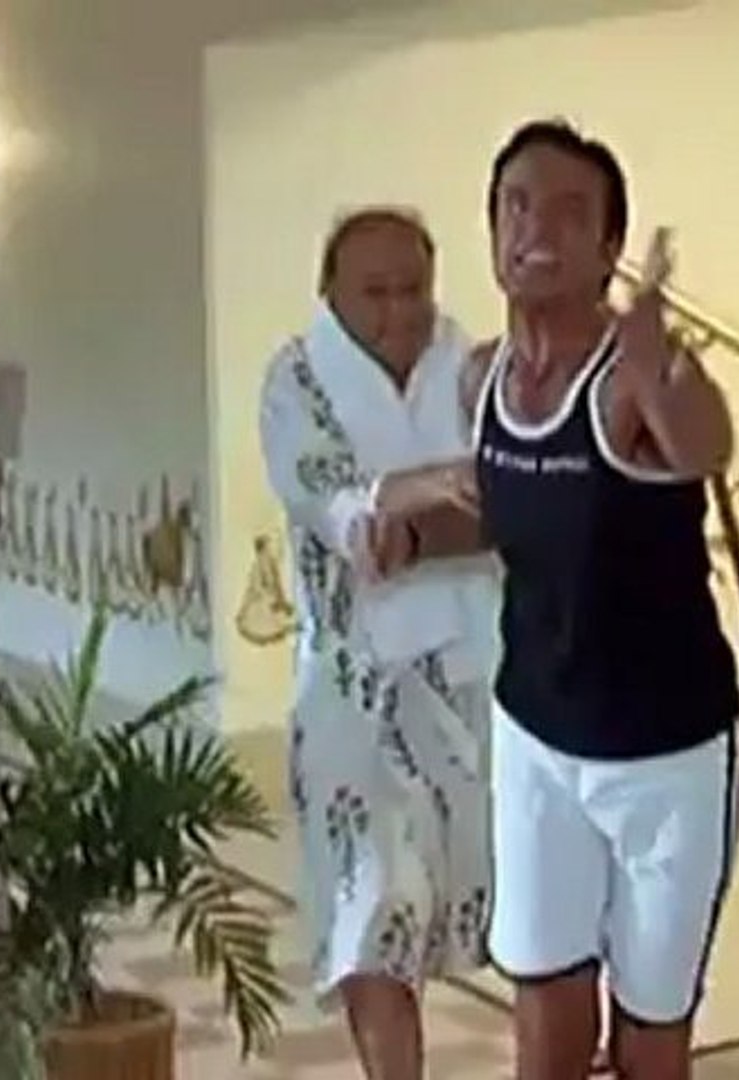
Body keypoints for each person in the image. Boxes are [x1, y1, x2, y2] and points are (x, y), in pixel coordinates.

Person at [465, 119, 739, 1080]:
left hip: (667, 754)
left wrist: (657, 367)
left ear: (608, 246)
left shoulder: (638, 381)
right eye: (516, 206)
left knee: (649, 1036)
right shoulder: (481, 378)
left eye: (568, 212)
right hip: (538, 736)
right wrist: (399, 525)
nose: (535, 229)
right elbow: (507, 508)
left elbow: (704, 447)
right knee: (545, 1015)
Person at [258, 206, 496, 1080]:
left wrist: (414, 506)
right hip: (352, 694)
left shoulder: (471, 367)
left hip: (473, 677)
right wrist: (442, 492)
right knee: (373, 917)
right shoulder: (297, 381)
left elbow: (518, 499)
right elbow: (343, 514)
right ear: (331, 293)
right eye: (375, 293)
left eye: (413, 289)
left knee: (479, 910)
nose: (399, 311)